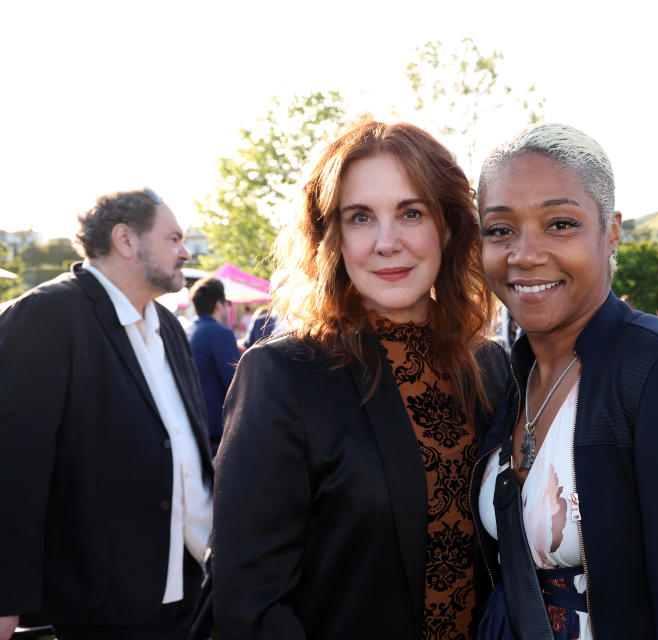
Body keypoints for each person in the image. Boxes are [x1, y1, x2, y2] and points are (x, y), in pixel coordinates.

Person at [211, 121, 510, 639]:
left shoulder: (487, 365)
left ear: (447, 227)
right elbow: (249, 602)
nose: (386, 242)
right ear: (334, 238)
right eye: (360, 217)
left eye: (411, 213)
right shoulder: (284, 376)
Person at [473, 123, 658, 638]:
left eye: (560, 224)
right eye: (500, 229)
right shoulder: (509, 376)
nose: (525, 254)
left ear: (611, 229)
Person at [0, 189, 213, 640]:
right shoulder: (47, 315)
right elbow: (12, 466)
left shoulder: (169, 326)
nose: (185, 251)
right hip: (104, 603)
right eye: (173, 238)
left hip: (186, 587)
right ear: (126, 240)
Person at [186, 276, 241, 452]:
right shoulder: (220, 333)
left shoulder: (187, 331)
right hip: (217, 426)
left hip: (193, 420)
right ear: (219, 305)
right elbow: (235, 383)